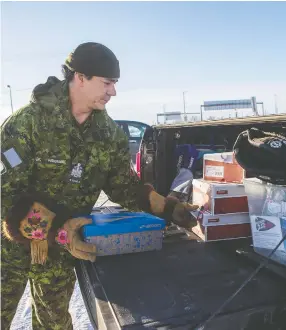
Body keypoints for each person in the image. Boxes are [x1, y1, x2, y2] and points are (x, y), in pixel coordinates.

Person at [1, 42, 198, 330]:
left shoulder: (108, 134)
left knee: (53, 323)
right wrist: (56, 230)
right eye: (107, 83)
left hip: (61, 249)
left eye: (114, 83)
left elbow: (123, 186)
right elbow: (6, 194)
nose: (113, 91)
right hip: (11, 246)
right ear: (80, 77)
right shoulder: (26, 124)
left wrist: (166, 206)